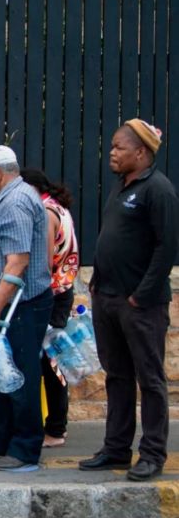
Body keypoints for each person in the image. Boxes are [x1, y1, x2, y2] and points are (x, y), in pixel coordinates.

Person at [79, 119, 178, 482]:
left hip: (140, 305)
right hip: (107, 298)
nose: (112, 153)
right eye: (113, 147)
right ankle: (116, 448)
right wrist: (98, 285)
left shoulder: (158, 190)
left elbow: (167, 248)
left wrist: (141, 296)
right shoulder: (122, 189)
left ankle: (152, 453)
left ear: (142, 152)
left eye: (120, 147)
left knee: (149, 379)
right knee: (117, 376)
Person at [0, 146, 54, 472]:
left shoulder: (16, 202)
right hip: (14, 305)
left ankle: (25, 448)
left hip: (23, 305)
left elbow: (17, 262)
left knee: (19, 375)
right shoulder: (12, 199)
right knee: (2, 372)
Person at [20, 168, 80, 448]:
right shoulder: (59, 208)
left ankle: (55, 430)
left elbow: (42, 262)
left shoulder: (45, 213)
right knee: (52, 361)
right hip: (63, 291)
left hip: (50, 295)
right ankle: (56, 426)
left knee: (49, 364)